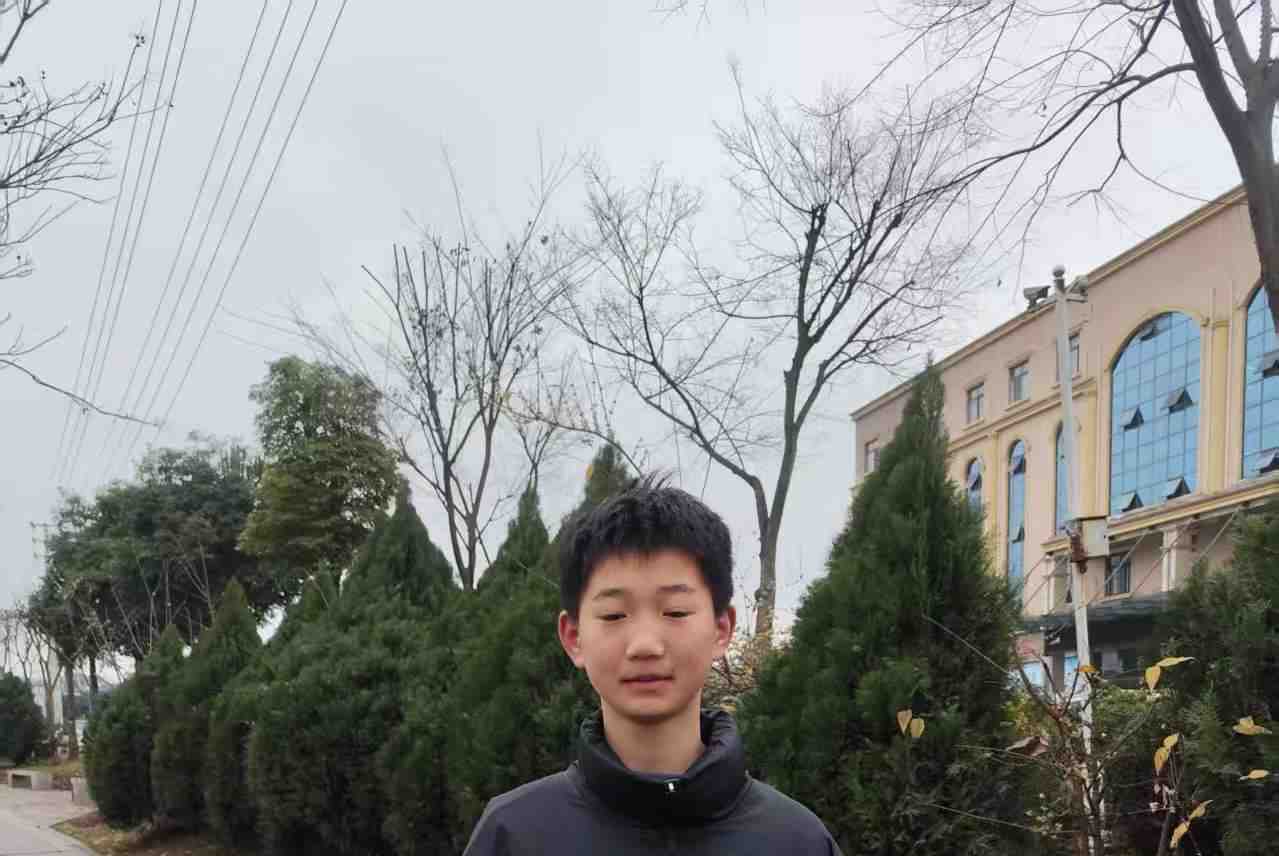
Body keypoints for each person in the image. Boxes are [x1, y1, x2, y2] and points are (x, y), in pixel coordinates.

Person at [463, 479, 842, 855]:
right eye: (614, 615)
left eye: (675, 612)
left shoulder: (797, 841)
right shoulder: (513, 835)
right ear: (574, 637)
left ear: (721, 628)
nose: (645, 645)